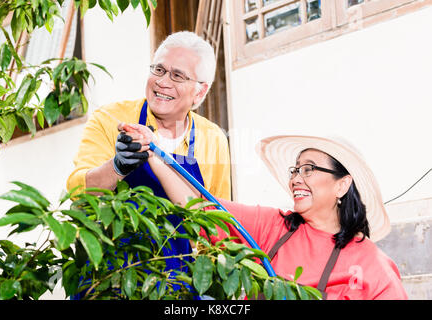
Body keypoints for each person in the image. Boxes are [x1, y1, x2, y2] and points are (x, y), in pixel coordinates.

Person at [129, 127, 408, 300]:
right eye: (295, 170)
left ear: (342, 184)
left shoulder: (373, 265)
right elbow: (198, 206)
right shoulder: (273, 226)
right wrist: (155, 153)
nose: (297, 178)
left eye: (309, 169)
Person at [66, 31, 231, 297]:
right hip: (108, 278)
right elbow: (78, 194)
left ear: (200, 91)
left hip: (176, 284)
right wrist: (117, 166)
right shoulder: (110, 119)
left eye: (177, 75)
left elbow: (218, 224)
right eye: (159, 70)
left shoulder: (212, 138)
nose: (163, 82)